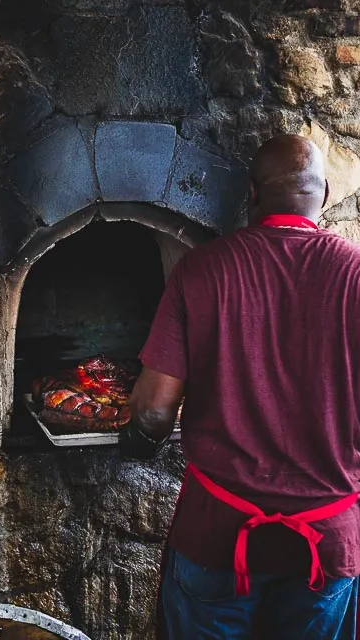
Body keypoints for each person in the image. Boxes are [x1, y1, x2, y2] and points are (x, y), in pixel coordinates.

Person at [119, 134, 360, 639]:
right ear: (326, 193)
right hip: (326, 541)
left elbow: (153, 412)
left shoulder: (202, 269)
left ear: (251, 194)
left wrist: (135, 445)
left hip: (220, 536)